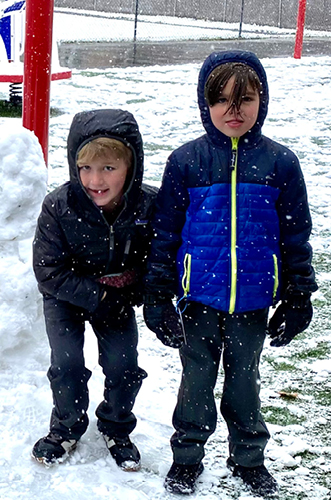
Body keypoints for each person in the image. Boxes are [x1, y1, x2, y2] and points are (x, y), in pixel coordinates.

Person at [144, 50, 317, 497]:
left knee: (245, 383)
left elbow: (296, 235)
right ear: (206, 104)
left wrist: (298, 294)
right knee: (196, 381)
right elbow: (165, 234)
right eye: (221, 100)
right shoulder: (186, 162)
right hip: (199, 298)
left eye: (246, 99)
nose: (233, 111)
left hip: (254, 299)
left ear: (263, 100)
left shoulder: (281, 163)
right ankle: (187, 457)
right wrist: (159, 295)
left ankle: (248, 459)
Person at [32, 109, 155, 471]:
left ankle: (116, 426)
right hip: (67, 295)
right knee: (67, 362)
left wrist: (140, 291)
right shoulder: (59, 206)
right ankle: (67, 426)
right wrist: (99, 297)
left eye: (108, 168)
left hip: (118, 297)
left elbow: (159, 257)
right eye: (85, 168)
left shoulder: (147, 205)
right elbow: (48, 270)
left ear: (130, 167)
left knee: (123, 363)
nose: (95, 179)